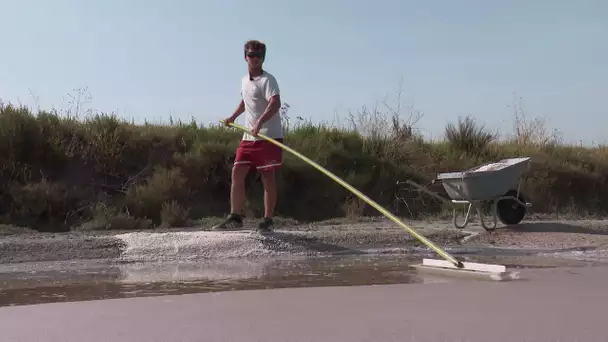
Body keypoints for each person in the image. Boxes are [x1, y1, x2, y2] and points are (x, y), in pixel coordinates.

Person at [213, 40, 284, 234]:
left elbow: (275, 103)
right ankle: (235, 216)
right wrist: (232, 117)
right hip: (249, 138)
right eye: (252, 55)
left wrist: (260, 123)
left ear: (263, 58)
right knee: (237, 172)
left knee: (267, 176)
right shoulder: (244, 80)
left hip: (268, 136)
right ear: (245, 57)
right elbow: (245, 102)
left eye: (259, 56)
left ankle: (268, 219)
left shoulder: (268, 80)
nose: (255, 59)